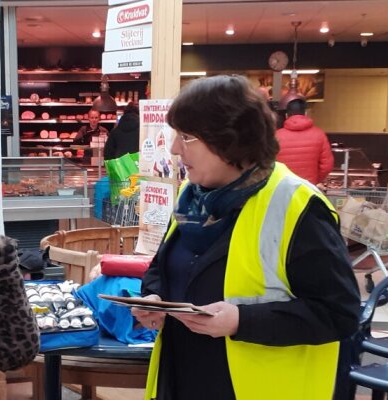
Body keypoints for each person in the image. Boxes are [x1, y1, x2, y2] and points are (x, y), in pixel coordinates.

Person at [130, 75, 360, 399]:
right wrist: (154, 298)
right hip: (183, 379)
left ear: (229, 140)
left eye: (187, 137)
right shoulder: (190, 197)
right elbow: (164, 267)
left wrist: (242, 320)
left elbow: (341, 314)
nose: (174, 148)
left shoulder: (298, 207)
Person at [274, 98, 333, 185]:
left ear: (286, 115)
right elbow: (327, 166)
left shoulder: (276, 136)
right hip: (309, 188)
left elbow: (268, 164)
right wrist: (315, 180)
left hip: (283, 187)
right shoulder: (319, 134)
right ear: (306, 113)